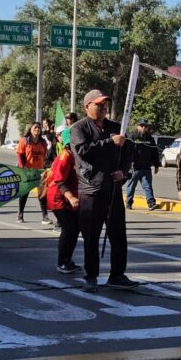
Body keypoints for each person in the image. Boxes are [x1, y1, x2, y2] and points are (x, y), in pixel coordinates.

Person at [70, 89, 136, 293]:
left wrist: (123, 172)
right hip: (91, 191)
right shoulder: (78, 128)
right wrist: (110, 142)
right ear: (87, 106)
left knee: (118, 235)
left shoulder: (116, 128)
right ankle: (91, 276)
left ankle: (117, 274)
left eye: (105, 104)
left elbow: (128, 151)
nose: (103, 107)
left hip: (113, 190)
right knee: (91, 236)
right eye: (98, 104)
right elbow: (83, 151)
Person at [46, 128, 82, 274]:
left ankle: (68, 260)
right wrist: (71, 197)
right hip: (59, 197)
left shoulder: (76, 155)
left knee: (75, 228)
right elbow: (59, 180)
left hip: (70, 197)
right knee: (68, 228)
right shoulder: (65, 156)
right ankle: (62, 262)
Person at [16, 121, 51, 224]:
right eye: (35, 127)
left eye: (39, 128)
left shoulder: (43, 142)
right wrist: (23, 168)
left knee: (42, 194)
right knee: (24, 193)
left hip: (39, 171)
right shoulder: (24, 141)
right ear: (30, 129)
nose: (37, 129)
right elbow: (19, 155)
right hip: (28, 171)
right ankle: (20, 214)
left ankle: (45, 216)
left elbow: (45, 156)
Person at [125, 119, 160, 211]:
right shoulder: (132, 137)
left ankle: (151, 203)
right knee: (131, 187)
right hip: (134, 168)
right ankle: (129, 202)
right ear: (138, 126)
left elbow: (154, 152)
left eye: (146, 126)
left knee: (147, 186)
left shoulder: (150, 138)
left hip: (146, 168)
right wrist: (127, 165)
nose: (144, 128)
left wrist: (156, 165)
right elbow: (127, 152)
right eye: (142, 126)